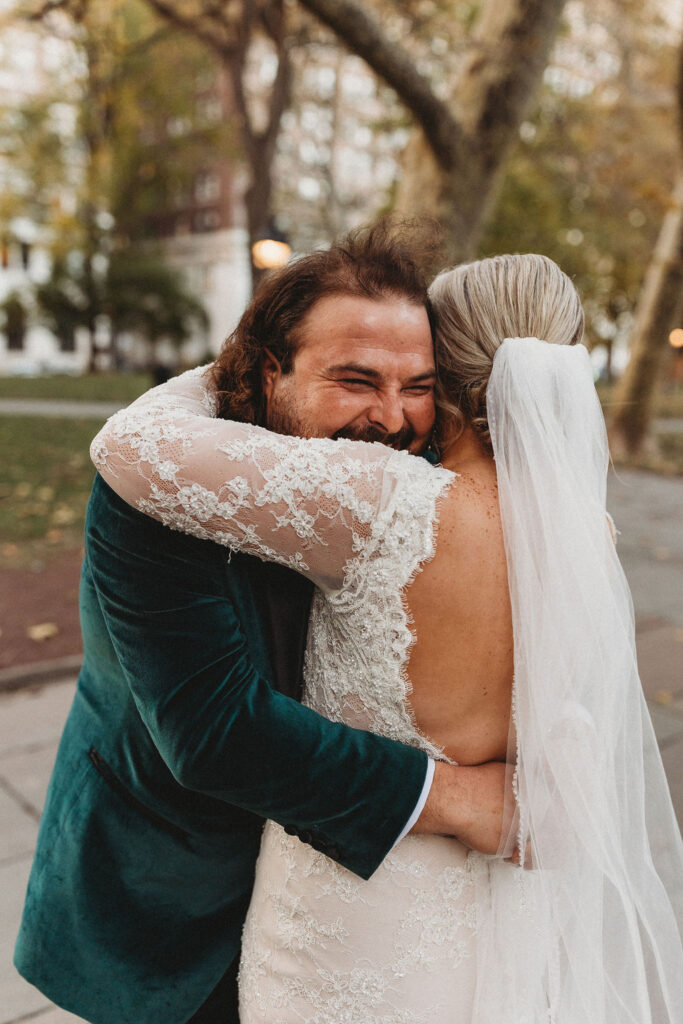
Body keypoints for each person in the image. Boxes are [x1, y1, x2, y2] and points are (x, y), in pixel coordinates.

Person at [91, 251, 683, 1022]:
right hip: (499, 903)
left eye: (418, 380)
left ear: (450, 368)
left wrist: (237, 366)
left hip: (350, 914)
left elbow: (128, 446)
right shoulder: (588, 535)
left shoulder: (383, 503)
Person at [14, 227, 511, 1024]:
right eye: (354, 380)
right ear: (270, 370)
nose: (390, 418)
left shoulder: (409, 476)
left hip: (342, 898)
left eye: (416, 385)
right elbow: (215, 733)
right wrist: (460, 800)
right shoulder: (162, 484)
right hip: (171, 891)